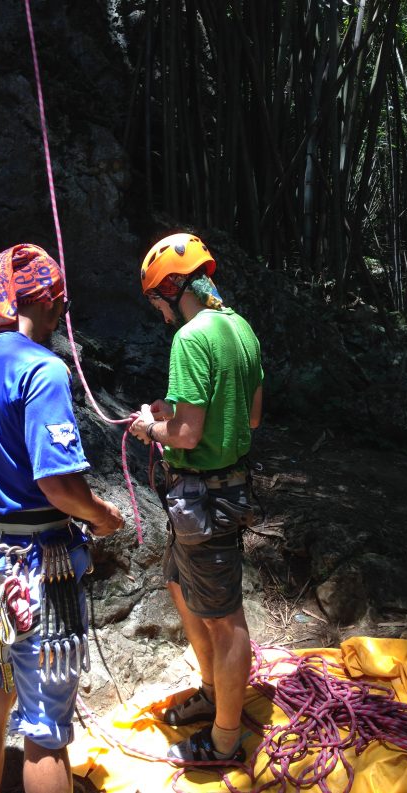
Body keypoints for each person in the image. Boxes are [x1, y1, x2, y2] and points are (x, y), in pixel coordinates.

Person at [0, 243, 124, 793]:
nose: (63, 317)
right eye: (60, 305)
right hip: (40, 567)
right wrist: (101, 517)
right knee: (46, 729)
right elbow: (57, 485)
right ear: (40, 299)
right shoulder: (41, 370)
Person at [129, 232, 263, 764]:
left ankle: (226, 739)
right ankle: (213, 694)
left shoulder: (190, 338)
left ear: (171, 288)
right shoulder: (241, 329)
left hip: (202, 500)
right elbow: (250, 417)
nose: (158, 310)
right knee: (179, 584)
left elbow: (185, 435)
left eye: (156, 299)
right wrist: (174, 411)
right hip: (225, 491)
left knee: (226, 617)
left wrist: (148, 425)